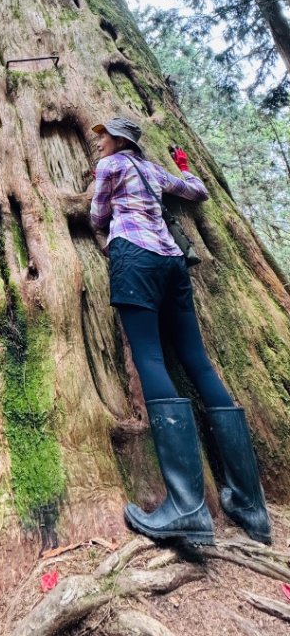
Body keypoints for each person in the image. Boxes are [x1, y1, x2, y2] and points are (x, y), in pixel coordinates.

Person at [90, 116, 271, 546]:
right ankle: (251, 505)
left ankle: (187, 509)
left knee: (150, 357)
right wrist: (185, 166)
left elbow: (97, 215)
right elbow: (197, 191)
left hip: (134, 256)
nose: (99, 143)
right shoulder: (154, 171)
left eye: (104, 137)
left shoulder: (110, 167)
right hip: (173, 263)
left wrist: (107, 212)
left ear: (119, 140)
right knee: (197, 361)